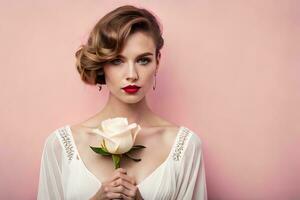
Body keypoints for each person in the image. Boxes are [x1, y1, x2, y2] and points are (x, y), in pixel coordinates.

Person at [37, 4, 207, 200]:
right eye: (117, 61)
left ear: (157, 62)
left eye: (143, 60)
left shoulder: (185, 146)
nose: (132, 75)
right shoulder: (60, 146)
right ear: (102, 65)